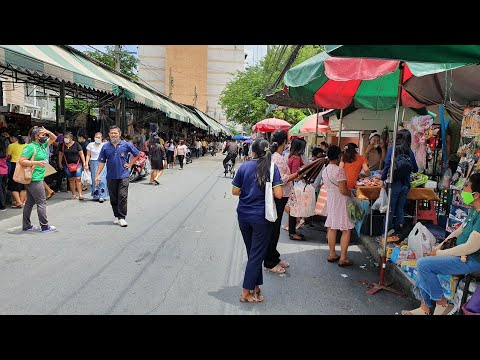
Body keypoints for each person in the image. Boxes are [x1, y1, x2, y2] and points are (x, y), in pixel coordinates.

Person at [402, 173, 480, 315]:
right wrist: (441, 244)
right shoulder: (474, 211)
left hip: (473, 260)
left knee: (424, 265)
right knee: (424, 261)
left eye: (467, 186)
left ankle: (442, 304)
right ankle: (424, 308)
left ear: (476, 195)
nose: (464, 190)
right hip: (461, 253)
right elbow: (460, 229)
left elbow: (470, 247)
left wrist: (440, 252)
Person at [232, 138, 283, 302]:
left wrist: (249, 192)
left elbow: (235, 191)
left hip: (243, 216)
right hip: (262, 217)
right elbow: (279, 195)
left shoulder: (244, 167)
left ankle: (256, 287)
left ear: (253, 151)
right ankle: (245, 292)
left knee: (254, 253)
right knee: (256, 254)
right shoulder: (272, 168)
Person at [264, 130, 299, 274]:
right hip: (277, 197)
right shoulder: (277, 158)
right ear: (285, 142)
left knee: (275, 229)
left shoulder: (277, 156)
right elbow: (280, 179)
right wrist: (295, 175)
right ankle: (270, 261)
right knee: (273, 230)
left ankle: (274, 257)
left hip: (280, 197)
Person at [95, 126, 140, 227]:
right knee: (113, 197)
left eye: (115, 133)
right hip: (110, 176)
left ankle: (122, 217)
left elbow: (137, 154)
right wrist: (97, 175)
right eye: (111, 133)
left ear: (119, 134)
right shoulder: (105, 147)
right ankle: (116, 215)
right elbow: (102, 162)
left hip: (123, 175)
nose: (113, 135)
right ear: (109, 134)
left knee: (122, 196)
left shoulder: (126, 145)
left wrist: (130, 164)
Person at [18, 126, 57, 232]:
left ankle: (26, 225)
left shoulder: (42, 145)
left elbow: (54, 138)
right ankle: (44, 226)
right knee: (41, 202)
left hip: (37, 177)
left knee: (30, 202)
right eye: (42, 135)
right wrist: (36, 163)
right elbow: (21, 160)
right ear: (36, 136)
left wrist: (48, 131)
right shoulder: (31, 147)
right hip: (34, 178)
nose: (45, 137)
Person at [322, 145, 355, 266]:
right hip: (341, 201)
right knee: (346, 229)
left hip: (331, 199)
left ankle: (332, 254)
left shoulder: (325, 169)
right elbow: (343, 190)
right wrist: (352, 192)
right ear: (339, 156)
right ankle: (343, 258)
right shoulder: (339, 170)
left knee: (331, 226)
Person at [382, 129, 418, 234]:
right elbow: (415, 168)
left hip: (393, 183)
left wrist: (382, 178)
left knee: (390, 209)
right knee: (400, 209)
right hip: (405, 184)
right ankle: (398, 233)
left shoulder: (392, 149)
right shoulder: (409, 151)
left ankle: (386, 233)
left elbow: (387, 164)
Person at [285, 138, 306, 240]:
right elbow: (295, 175)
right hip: (294, 186)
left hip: (291, 185)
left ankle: (292, 231)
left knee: (293, 209)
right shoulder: (296, 158)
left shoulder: (290, 156)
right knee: (294, 210)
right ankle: (292, 233)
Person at [58, 132, 87, 200]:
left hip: (77, 164)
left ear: (71, 138)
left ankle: (80, 194)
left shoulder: (76, 144)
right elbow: (60, 154)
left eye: (67, 137)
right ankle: (73, 194)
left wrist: (84, 163)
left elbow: (81, 154)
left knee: (78, 178)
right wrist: (59, 163)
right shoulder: (62, 145)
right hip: (67, 164)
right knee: (71, 179)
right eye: (64, 137)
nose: (65, 139)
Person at [86, 132, 109, 203]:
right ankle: (96, 195)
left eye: (99, 137)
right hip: (93, 163)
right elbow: (88, 155)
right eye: (96, 137)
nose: (97, 139)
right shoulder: (90, 145)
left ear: (101, 138)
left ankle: (102, 195)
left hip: (102, 163)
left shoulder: (104, 145)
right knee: (94, 178)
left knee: (102, 178)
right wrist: (86, 164)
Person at [7, 133, 27, 208]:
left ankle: (18, 202)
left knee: (13, 184)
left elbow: (8, 155)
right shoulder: (26, 145)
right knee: (23, 185)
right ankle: (21, 202)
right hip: (24, 165)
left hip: (15, 165)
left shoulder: (11, 145)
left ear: (14, 138)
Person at [0, 132, 8, 211]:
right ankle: (4, 203)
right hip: (5, 171)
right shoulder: (5, 152)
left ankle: (2, 205)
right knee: (3, 188)